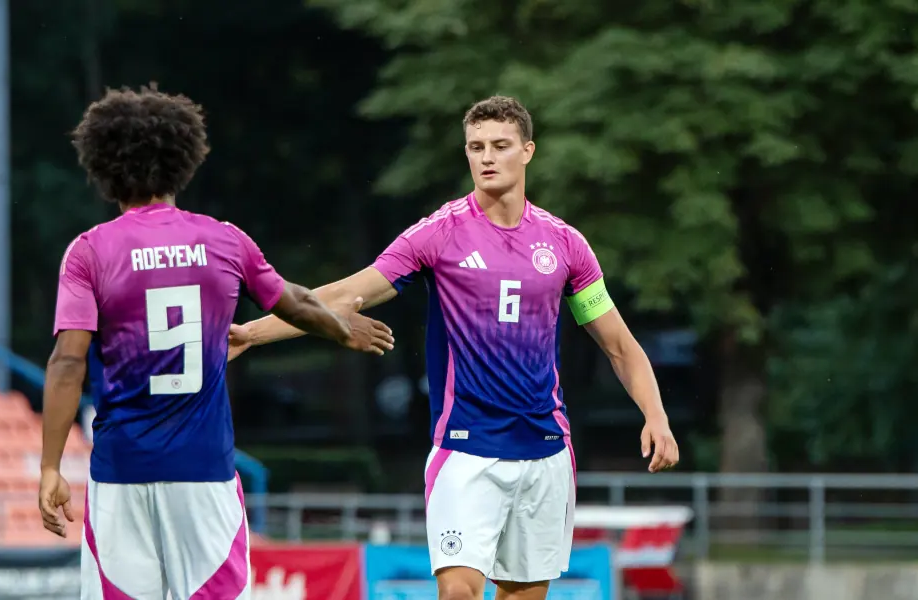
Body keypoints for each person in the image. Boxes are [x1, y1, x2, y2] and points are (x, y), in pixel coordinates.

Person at [228, 95, 679, 600]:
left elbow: (618, 345)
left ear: (527, 151)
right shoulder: (439, 234)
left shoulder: (566, 245)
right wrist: (251, 332)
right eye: (475, 147)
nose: (486, 157)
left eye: (500, 146)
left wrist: (655, 416)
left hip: (546, 451)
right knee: (459, 591)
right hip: (466, 449)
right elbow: (341, 295)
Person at [38, 84, 395, 600]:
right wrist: (342, 328)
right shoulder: (223, 240)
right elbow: (292, 301)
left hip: (120, 473)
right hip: (203, 471)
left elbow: (67, 363)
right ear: (183, 160)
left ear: (104, 165)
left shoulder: (90, 252)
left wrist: (50, 467)